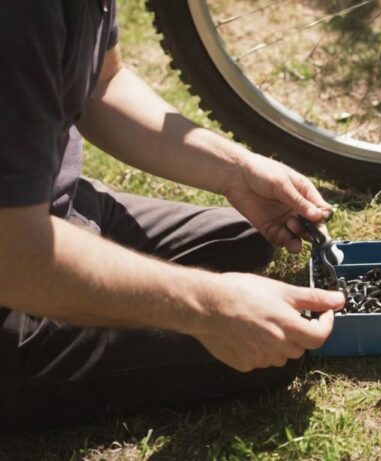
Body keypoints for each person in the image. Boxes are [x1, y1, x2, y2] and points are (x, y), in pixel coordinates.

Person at [0, 1, 345, 431]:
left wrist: (236, 171)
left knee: (244, 241)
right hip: (16, 281)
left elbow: (102, 85)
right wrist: (209, 308)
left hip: (49, 205)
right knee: (271, 353)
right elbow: (15, 257)